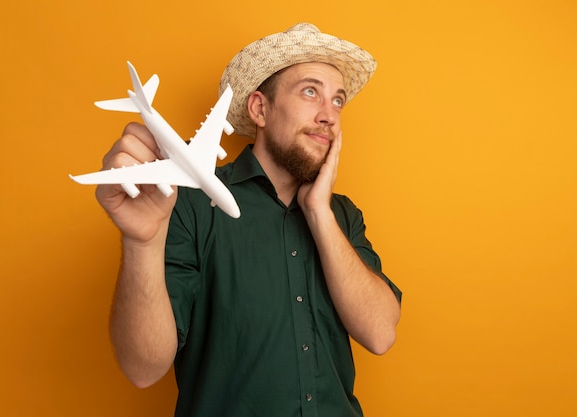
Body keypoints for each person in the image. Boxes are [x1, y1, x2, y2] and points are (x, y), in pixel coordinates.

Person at [96, 22, 402, 417]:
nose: (330, 115)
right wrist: (142, 242)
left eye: (338, 100)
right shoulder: (186, 204)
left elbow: (380, 334)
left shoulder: (342, 214)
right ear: (260, 108)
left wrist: (319, 212)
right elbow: (142, 369)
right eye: (311, 92)